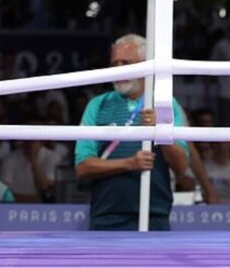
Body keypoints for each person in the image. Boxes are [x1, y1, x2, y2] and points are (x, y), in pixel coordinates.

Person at [75, 34, 189, 230]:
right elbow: (82, 167)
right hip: (106, 217)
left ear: (145, 66)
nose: (120, 69)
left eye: (126, 63)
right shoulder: (98, 105)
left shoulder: (165, 104)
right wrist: (129, 163)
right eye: (115, 63)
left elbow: (181, 166)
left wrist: (159, 130)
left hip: (155, 215)